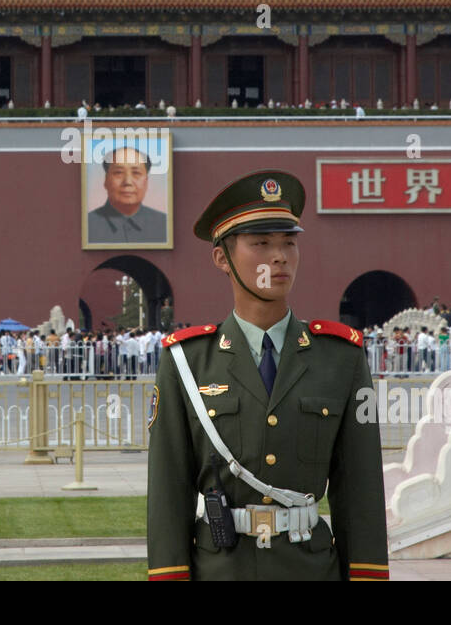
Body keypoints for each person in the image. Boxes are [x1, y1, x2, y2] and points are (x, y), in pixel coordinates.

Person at [146, 169, 389, 581]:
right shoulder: (186, 361)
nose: (279, 257)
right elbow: (169, 492)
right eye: (261, 244)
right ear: (222, 257)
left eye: (288, 243)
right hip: (221, 569)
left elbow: (361, 489)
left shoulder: (341, 358)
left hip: (311, 568)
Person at [86, 145, 168, 244]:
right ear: (106, 180)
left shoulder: (165, 224)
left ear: (146, 182)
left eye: (136, 173)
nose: (128, 182)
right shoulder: (86, 225)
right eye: (118, 173)